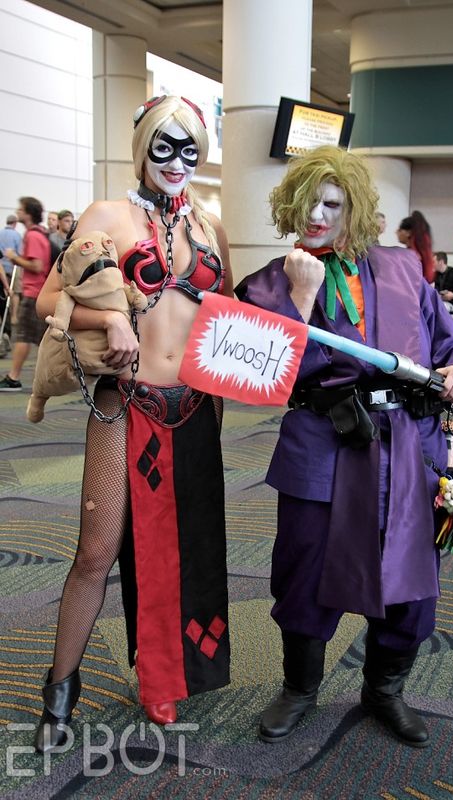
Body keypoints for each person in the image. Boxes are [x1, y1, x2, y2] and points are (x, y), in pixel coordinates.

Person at [235, 145, 453, 749]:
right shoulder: (267, 284)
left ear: (357, 209)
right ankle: (299, 688)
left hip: (407, 448)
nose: (317, 216)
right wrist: (298, 298)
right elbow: (264, 378)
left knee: (410, 576)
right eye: (307, 204)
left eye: (332, 204)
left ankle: (385, 690)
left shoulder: (402, 269)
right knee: (304, 571)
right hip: (323, 446)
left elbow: (450, 340)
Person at [32, 94, 233, 753]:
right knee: (97, 552)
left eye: (189, 150)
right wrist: (110, 317)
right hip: (124, 403)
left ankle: (162, 676)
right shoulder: (106, 215)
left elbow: (226, 312)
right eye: (163, 147)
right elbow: (48, 300)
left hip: (196, 408)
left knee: (183, 550)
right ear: (142, 146)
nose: (176, 162)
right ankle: (59, 690)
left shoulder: (209, 226)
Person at [0, 198, 52, 392]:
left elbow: (37, 266)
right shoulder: (38, 234)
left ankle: (13, 377)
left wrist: (14, 258)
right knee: (42, 338)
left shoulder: (33, 236)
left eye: (21, 209)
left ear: (29, 213)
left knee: (23, 335)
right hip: (37, 292)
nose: (18, 211)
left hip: (33, 293)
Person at [397, 210, 434, 283]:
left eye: (400, 230)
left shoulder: (412, 255)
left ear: (408, 233)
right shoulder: (416, 252)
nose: (396, 232)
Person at [0, 213, 22, 328]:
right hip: (13, 267)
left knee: (2, 291)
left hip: (1, 266)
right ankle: (13, 317)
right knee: (15, 292)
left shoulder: (0, 233)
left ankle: (3, 317)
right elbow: (20, 252)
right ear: (15, 223)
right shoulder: (16, 235)